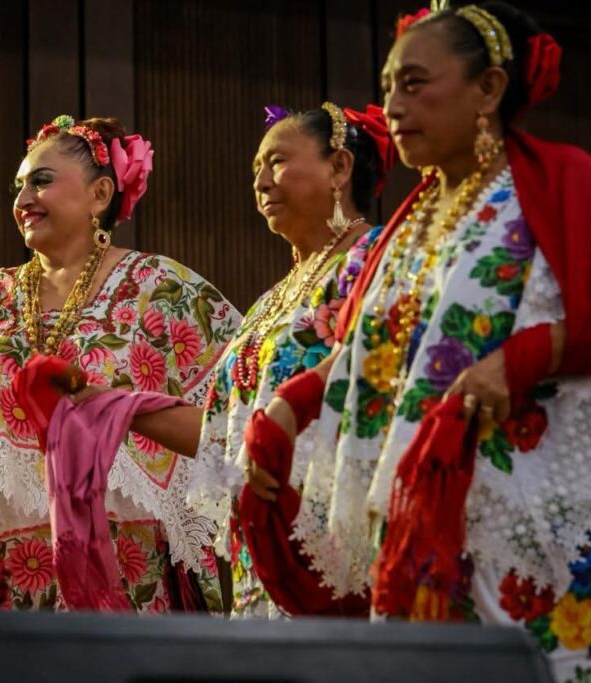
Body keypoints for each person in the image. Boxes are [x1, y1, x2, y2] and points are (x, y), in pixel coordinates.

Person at [242, 4, 591, 680]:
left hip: (532, 524)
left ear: (488, 88)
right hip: (420, 531)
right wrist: (289, 407)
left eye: (413, 83)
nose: (393, 105)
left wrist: (519, 359)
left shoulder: (556, 181)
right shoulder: (409, 224)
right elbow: (371, 351)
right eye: (388, 86)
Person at [68, 103, 393, 617]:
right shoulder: (269, 304)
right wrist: (110, 405)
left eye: (277, 162)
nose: (260, 181)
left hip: (346, 541)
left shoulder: (382, 260)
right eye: (256, 169)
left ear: (338, 167)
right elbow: (222, 433)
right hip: (266, 559)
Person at [0, 115, 243, 612]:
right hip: (10, 566)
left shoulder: (162, 287)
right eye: (18, 187)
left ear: (100, 194)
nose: (23, 200)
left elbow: (240, 405)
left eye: (41, 181)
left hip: (129, 566)